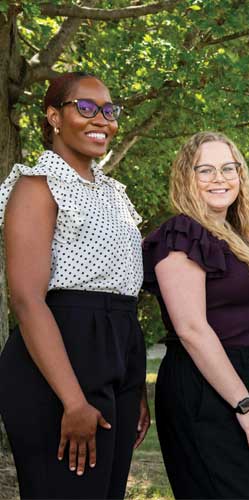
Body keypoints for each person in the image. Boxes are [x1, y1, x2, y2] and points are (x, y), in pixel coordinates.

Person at [0, 72, 149, 499]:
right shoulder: (36, 187)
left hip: (116, 352)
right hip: (61, 358)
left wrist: (133, 384)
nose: (101, 119)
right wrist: (73, 400)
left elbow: (120, 293)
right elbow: (27, 300)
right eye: (85, 108)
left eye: (109, 110)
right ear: (53, 117)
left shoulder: (113, 194)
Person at [143, 132, 249, 498]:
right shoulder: (184, 233)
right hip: (205, 389)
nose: (219, 179)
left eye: (228, 168)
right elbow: (192, 329)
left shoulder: (237, 237)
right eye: (205, 170)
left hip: (244, 382)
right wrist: (244, 404)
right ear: (186, 178)